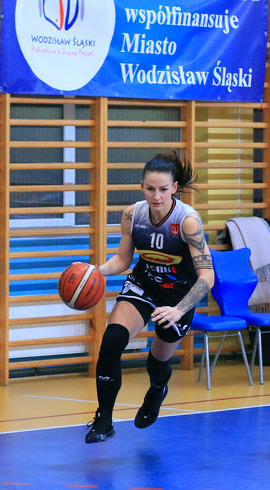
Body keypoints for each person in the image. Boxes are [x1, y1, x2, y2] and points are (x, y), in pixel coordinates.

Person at [85, 151, 214, 444]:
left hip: (179, 296)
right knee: (111, 343)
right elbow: (122, 260)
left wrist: (179, 310)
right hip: (144, 284)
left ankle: (157, 390)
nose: (156, 196)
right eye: (150, 188)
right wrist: (97, 271)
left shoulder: (188, 221)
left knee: (156, 363)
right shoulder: (133, 215)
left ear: (175, 188)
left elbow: (207, 277)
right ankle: (104, 420)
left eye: (163, 189)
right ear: (141, 186)